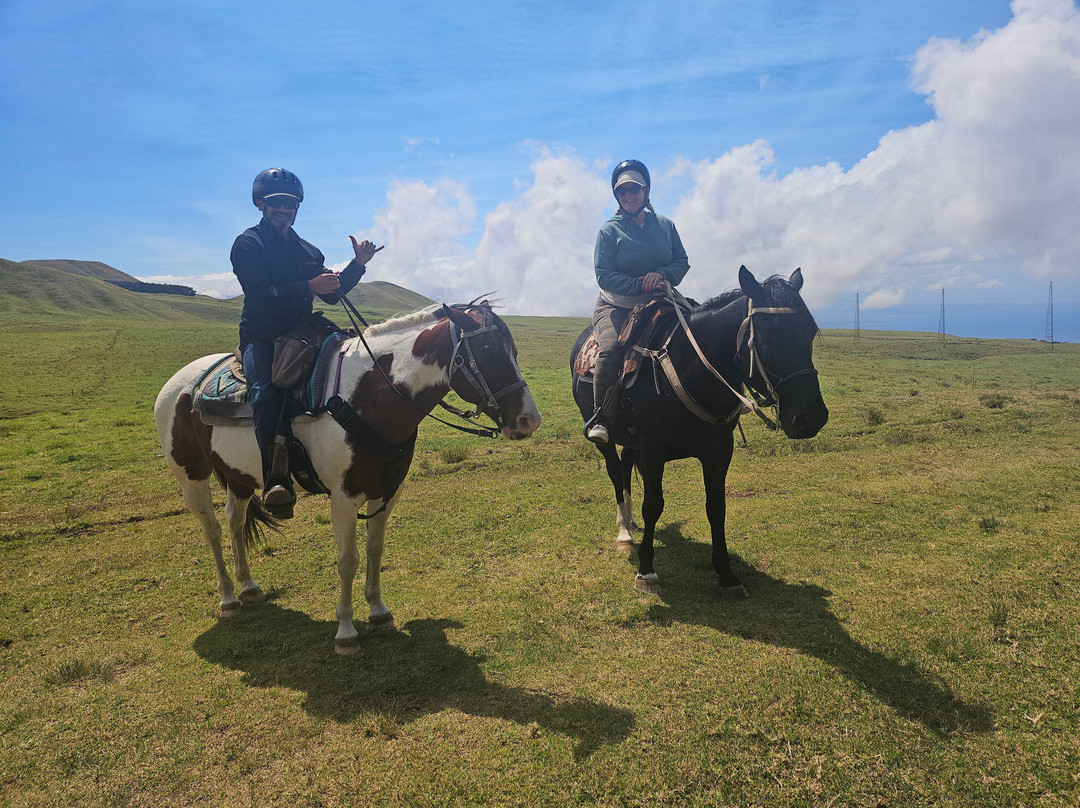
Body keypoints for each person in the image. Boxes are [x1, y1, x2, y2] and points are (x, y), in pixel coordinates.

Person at [231, 167, 384, 515]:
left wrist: (357, 265)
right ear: (260, 204)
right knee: (267, 392)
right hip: (263, 334)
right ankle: (275, 480)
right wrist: (307, 287)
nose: (285, 209)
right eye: (277, 203)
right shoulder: (248, 245)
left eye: (291, 204)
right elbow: (258, 294)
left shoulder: (307, 251)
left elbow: (332, 294)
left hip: (305, 332)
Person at [587, 159, 690, 445]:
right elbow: (604, 275)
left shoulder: (665, 226)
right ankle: (602, 418)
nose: (629, 195)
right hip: (617, 306)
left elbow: (681, 261)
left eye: (635, 189)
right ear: (617, 197)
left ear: (646, 192)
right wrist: (638, 284)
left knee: (700, 333)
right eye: (623, 191)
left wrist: (662, 275)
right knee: (609, 351)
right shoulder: (609, 232)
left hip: (661, 298)